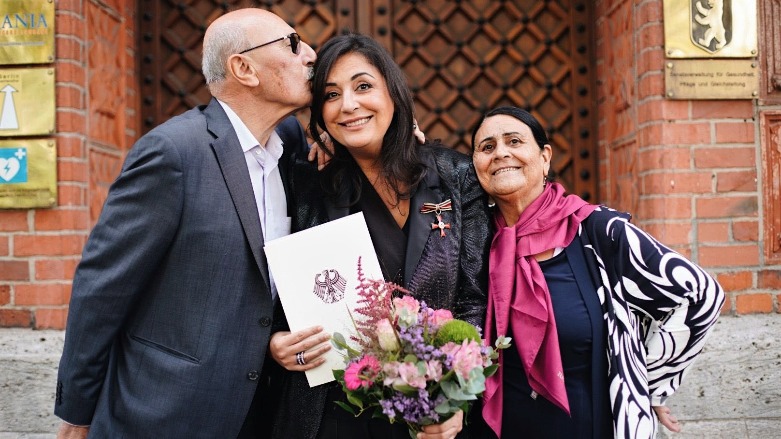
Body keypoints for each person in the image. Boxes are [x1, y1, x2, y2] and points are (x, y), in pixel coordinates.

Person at [54, 8, 322, 438]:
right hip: (163, 413)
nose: (310, 54)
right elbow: (102, 289)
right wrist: (77, 415)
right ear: (244, 68)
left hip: (260, 413)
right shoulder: (172, 153)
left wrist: (391, 130)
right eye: (293, 44)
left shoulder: (290, 144)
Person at [267, 34, 491, 439]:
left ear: (394, 93)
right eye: (331, 95)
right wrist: (276, 342)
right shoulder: (307, 183)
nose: (349, 105)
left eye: (364, 86)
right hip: (334, 413)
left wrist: (455, 396)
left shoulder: (456, 177)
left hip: (431, 414)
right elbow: (270, 290)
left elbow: (475, 300)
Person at [470, 106, 725, 439]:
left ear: (545, 156)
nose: (501, 152)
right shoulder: (473, 241)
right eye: (487, 147)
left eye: (514, 141)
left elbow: (701, 295)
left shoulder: (597, 231)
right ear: (475, 165)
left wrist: (648, 382)